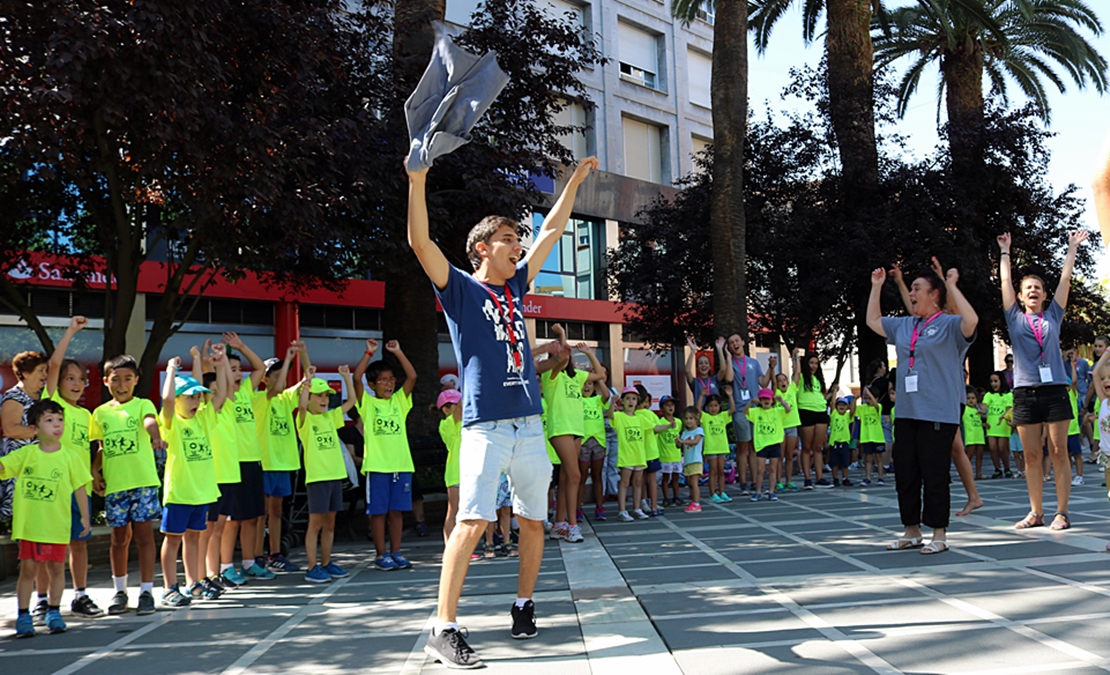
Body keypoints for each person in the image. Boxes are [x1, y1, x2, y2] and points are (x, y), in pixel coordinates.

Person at [407, 153, 597, 667]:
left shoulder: (516, 285)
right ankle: (443, 628)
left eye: (519, 239)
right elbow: (420, 244)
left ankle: (523, 604)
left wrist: (575, 181)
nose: (521, 245)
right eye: (511, 239)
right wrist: (418, 177)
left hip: (529, 425)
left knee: (534, 521)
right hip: (485, 427)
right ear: (482, 249)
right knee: (471, 522)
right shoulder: (462, 290)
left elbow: (555, 227)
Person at [867, 261, 977, 554]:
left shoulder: (949, 325)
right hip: (906, 411)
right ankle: (911, 530)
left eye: (917, 289)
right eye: (911, 288)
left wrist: (952, 284)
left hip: (938, 411)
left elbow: (972, 321)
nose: (911, 293)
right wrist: (876, 287)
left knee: (935, 473)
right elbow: (873, 321)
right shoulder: (905, 325)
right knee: (906, 472)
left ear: (934, 295)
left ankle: (938, 534)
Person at [998, 230, 1088, 531]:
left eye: (1038, 287)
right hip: (1025, 393)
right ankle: (1035, 512)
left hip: (1055, 392)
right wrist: (1005, 252)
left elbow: (1065, 280)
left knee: (1059, 451)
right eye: (1028, 288)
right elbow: (1004, 283)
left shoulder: (1053, 317)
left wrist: (1071, 249)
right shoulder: (1014, 318)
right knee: (1032, 455)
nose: (1033, 291)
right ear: (1021, 297)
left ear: (1044, 295)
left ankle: (1061, 512)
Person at [1, 399, 91, 637]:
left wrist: (85, 516)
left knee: (57, 568)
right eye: (49, 420)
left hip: (57, 526)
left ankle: (54, 612)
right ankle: (23, 616)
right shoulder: (26, 454)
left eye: (60, 420)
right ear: (34, 428)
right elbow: (3, 468)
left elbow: (80, 487)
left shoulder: (70, 456)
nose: (57, 425)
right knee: (28, 570)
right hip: (30, 526)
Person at [89, 355, 165, 615]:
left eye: (128, 379)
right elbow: (102, 447)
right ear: (106, 381)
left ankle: (146, 591)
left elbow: (150, 422)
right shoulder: (99, 413)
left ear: (136, 381)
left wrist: (156, 437)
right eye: (116, 379)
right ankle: (119, 591)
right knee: (119, 538)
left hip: (143, 482)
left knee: (144, 537)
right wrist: (94, 470)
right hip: (116, 486)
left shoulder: (143, 404)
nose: (122, 385)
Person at [43, 316, 103, 617]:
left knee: (79, 545)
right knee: (48, 546)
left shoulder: (87, 415)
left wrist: (94, 472)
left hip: (80, 489)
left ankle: (80, 595)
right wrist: (71, 331)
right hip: (54, 487)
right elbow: (53, 365)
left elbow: (92, 449)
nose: (77, 383)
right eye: (70, 378)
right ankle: (43, 598)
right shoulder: (54, 405)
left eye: (81, 378)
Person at [157, 356, 226, 606]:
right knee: (173, 538)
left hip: (202, 492)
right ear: (177, 400)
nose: (196, 401)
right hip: (180, 492)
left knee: (194, 538)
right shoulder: (172, 423)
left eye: (198, 397)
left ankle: (192, 582)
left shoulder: (203, 420)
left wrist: (220, 364)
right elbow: (165, 400)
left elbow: (221, 395)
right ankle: (168, 588)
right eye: (189, 396)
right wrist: (171, 370)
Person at [354, 339, 417, 571]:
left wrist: (398, 352)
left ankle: (396, 551)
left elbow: (412, 377)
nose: (388, 384)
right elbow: (356, 378)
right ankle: (381, 554)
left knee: (397, 512)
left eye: (391, 379)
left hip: (401, 466)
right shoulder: (368, 404)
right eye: (383, 380)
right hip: (378, 467)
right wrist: (368, 353)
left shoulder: (400, 402)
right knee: (378, 513)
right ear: (373, 384)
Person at [217, 332, 275, 581]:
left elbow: (261, 367)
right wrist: (217, 360)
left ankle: (250, 562)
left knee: (253, 517)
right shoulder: (221, 397)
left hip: (253, 461)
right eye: (232, 369)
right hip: (233, 464)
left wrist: (240, 346)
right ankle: (225, 566)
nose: (238, 374)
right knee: (232, 521)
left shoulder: (246, 392)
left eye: (239, 369)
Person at [298, 366, 357, 582]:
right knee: (315, 524)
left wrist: (346, 378)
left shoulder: (331, 417)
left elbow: (350, 402)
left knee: (330, 524)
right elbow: (302, 406)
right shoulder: (305, 420)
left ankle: (326, 562)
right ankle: (312, 567)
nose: (324, 400)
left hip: (334, 476)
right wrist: (307, 382)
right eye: (319, 395)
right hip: (317, 478)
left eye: (326, 396)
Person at [258, 342, 309, 574]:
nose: (282, 379)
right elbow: (276, 389)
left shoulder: (287, 398)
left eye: (283, 375)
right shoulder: (261, 399)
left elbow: (308, 377)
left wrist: (302, 354)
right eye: (275, 375)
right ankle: (257, 555)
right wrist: (288, 359)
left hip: (283, 463)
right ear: (265, 379)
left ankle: (275, 554)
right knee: (262, 512)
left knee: (276, 511)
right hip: (266, 463)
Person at [1, 349, 49, 530]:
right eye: (41, 370)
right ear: (26, 373)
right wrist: (41, 431)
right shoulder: (14, 397)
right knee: (23, 519)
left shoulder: (43, 395)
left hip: (41, 466)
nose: (45, 375)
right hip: (19, 467)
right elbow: (10, 429)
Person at [722, 334, 773, 493]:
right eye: (731, 343)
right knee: (742, 446)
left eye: (737, 341)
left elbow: (763, 382)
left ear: (743, 342)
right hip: (740, 408)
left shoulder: (753, 362)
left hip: (755, 409)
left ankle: (754, 481)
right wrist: (728, 357)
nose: (734, 344)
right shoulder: (729, 363)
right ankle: (743, 482)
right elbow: (729, 377)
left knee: (754, 446)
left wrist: (771, 368)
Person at [793, 350, 834, 489]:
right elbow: (796, 373)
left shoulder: (819, 380)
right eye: (811, 363)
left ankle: (820, 477)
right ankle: (807, 479)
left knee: (818, 447)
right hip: (806, 411)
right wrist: (796, 358)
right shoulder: (801, 377)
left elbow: (822, 396)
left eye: (816, 363)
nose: (814, 366)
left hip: (821, 412)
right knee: (806, 447)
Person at [610, 387, 651, 521]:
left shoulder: (641, 418)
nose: (631, 401)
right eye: (627, 398)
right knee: (625, 482)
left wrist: (668, 426)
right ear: (622, 401)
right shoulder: (619, 416)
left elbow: (654, 427)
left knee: (638, 482)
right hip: (626, 456)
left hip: (639, 456)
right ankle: (622, 510)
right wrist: (612, 403)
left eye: (633, 399)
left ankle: (637, 508)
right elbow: (610, 415)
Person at [744, 388, 790, 501]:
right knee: (760, 469)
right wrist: (751, 402)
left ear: (772, 400)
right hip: (761, 444)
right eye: (763, 398)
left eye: (768, 398)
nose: (766, 400)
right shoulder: (756, 412)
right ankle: (758, 491)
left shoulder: (777, 411)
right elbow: (745, 411)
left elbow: (788, 410)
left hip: (774, 443)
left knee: (773, 468)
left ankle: (771, 491)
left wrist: (782, 401)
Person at [579, 369, 611, 521]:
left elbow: (607, 395)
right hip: (583, 442)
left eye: (590, 383)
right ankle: (578, 508)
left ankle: (600, 508)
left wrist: (599, 379)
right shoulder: (577, 400)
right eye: (584, 383)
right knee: (581, 477)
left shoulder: (598, 400)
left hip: (599, 442)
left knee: (597, 476)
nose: (586, 386)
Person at [697, 389, 734, 502]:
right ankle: (712, 493)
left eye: (716, 405)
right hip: (711, 448)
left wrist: (730, 396)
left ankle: (722, 492)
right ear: (707, 407)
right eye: (711, 406)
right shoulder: (706, 417)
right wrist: (701, 395)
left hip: (722, 447)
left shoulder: (722, 416)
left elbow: (732, 409)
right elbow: (698, 410)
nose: (713, 408)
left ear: (719, 406)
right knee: (713, 471)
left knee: (721, 471)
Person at [438, 388, 464, 542]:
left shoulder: (462, 421)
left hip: (466, 471)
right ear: (446, 409)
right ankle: (450, 546)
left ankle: (461, 546)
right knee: (454, 510)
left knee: (464, 511)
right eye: (455, 404)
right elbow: (461, 407)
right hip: (455, 472)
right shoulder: (447, 423)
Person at [983, 371, 1014, 479]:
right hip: (991, 425)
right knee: (992, 447)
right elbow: (984, 405)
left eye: (996, 381)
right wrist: (981, 411)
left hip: (1003, 424)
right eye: (991, 381)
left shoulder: (1008, 395)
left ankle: (1007, 468)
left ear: (1001, 381)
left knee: (1002, 448)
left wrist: (1004, 417)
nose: (993, 384)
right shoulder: (989, 394)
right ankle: (997, 469)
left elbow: (1009, 408)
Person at [775, 372, 801, 491]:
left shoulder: (792, 389)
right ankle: (778, 481)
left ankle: (789, 481)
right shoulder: (776, 393)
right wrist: (772, 367)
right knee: (780, 456)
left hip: (792, 426)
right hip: (781, 427)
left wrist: (795, 357)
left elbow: (797, 373)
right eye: (779, 381)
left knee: (790, 455)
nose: (782, 382)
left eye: (784, 380)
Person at [655, 395, 683, 507]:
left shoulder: (679, 422)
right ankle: (666, 498)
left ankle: (676, 497)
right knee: (666, 478)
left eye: (672, 405)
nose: (670, 407)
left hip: (676, 455)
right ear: (662, 408)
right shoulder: (660, 422)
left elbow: (679, 435)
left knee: (676, 477)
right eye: (667, 405)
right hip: (665, 456)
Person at [677, 407, 705, 512]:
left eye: (691, 418)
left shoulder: (699, 430)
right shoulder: (684, 433)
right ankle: (693, 501)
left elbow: (695, 442)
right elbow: (680, 447)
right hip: (688, 461)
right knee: (690, 483)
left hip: (696, 460)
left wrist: (683, 442)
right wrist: (678, 443)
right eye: (686, 418)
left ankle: (697, 503)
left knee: (694, 483)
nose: (688, 421)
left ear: (696, 419)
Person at [685, 336, 727, 403]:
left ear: (710, 366)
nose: (703, 365)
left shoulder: (715, 379)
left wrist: (719, 350)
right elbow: (687, 371)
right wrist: (693, 351)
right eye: (700, 363)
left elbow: (723, 369)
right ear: (697, 367)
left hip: (715, 413)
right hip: (700, 412)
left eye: (706, 363)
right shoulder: (695, 382)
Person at [858, 386, 886, 486]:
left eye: (869, 398)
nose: (867, 400)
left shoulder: (878, 406)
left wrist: (869, 392)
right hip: (866, 437)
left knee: (879, 457)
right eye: (866, 398)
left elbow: (876, 406)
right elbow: (852, 411)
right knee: (868, 458)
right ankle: (868, 477)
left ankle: (880, 477)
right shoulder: (862, 408)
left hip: (877, 437)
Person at [828, 397, 855, 486]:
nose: (841, 406)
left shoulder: (847, 416)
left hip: (844, 443)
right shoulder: (834, 414)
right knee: (834, 463)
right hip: (834, 443)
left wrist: (854, 400)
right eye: (839, 405)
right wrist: (835, 390)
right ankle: (835, 478)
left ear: (847, 407)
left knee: (845, 463)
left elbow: (852, 411)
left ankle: (845, 478)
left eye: (844, 405)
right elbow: (832, 403)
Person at [1066, 354, 1085, 486]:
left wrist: (1073, 365)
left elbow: (1074, 382)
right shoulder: (1058, 396)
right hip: (1062, 430)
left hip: (1072, 429)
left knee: (1076, 454)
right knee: (1066, 455)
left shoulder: (1072, 394)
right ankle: (1067, 476)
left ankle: (1079, 476)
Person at [963, 386, 988, 480]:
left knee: (980, 454)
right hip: (970, 436)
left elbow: (978, 422)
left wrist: (984, 424)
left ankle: (978, 473)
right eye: (968, 398)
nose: (971, 400)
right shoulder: (965, 409)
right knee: (969, 455)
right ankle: (966, 474)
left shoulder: (977, 410)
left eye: (973, 398)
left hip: (979, 435)